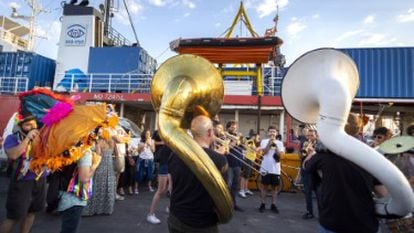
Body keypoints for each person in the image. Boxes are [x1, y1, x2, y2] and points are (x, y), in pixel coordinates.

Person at [303, 113, 386, 233]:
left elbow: (306, 166)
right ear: (358, 129)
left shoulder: (323, 155)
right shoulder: (370, 156)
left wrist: (313, 153)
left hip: (332, 223)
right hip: (364, 224)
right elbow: (383, 193)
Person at [168, 115, 228, 233]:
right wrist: (219, 156)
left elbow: (172, 186)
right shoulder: (219, 160)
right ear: (210, 132)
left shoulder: (175, 154)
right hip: (204, 224)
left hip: (176, 218)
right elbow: (224, 194)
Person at [0, 115, 47, 233]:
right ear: (20, 126)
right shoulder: (12, 138)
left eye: (34, 124)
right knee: (13, 217)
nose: (33, 127)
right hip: (21, 182)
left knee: (32, 213)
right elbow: (13, 155)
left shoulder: (43, 137)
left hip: (40, 178)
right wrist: (27, 140)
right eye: (28, 125)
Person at [59, 147, 102, 233]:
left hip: (64, 195)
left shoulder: (68, 147)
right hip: (74, 198)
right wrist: (94, 166)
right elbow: (84, 178)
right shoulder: (84, 151)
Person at [82, 130, 117, 216]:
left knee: (97, 186)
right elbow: (116, 153)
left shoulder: (99, 143)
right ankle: (106, 209)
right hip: (109, 166)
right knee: (107, 186)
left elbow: (97, 156)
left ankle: (95, 208)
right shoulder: (112, 141)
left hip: (100, 166)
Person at [258, 126, 285, 213]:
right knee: (264, 187)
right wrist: (269, 145)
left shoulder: (280, 143)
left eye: (274, 132)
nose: (272, 133)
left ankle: (273, 204)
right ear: (268, 133)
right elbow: (263, 153)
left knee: (274, 188)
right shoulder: (264, 141)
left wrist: (276, 146)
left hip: (275, 169)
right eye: (270, 132)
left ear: (276, 133)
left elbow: (280, 155)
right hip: (265, 168)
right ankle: (263, 204)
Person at [147, 145, 173, 224]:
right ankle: (150, 214)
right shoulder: (168, 145)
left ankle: (169, 207)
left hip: (170, 166)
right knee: (160, 191)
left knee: (172, 189)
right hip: (165, 166)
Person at [225, 120, 244, 212]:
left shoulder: (237, 137)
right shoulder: (224, 136)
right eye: (232, 127)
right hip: (229, 164)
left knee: (235, 185)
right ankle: (226, 204)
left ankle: (233, 203)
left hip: (237, 163)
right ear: (228, 128)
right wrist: (235, 139)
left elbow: (242, 147)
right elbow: (229, 148)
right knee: (228, 184)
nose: (234, 129)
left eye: (235, 127)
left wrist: (240, 140)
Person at [300, 128, 318, 219]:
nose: (310, 137)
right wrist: (306, 150)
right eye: (309, 135)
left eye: (312, 135)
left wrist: (313, 151)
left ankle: (322, 213)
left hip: (316, 172)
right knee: (307, 192)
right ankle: (309, 212)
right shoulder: (305, 143)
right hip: (306, 170)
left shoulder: (318, 144)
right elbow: (302, 155)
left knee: (319, 193)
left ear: (316, 136)